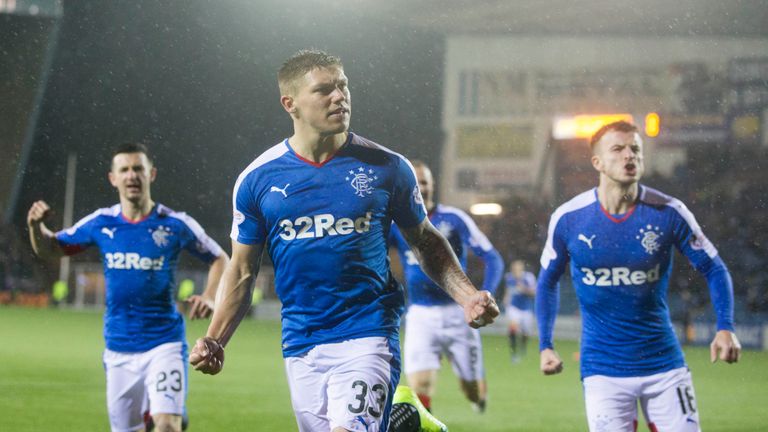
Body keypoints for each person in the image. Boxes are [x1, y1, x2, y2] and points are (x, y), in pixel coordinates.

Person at [189, 49, 499, 432]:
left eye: (343, 86)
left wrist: (467, 295)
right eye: (324, 90)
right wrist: (216, 339)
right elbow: (241, 270)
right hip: (301, 340)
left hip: (368, 331)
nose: (339, 97)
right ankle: (408, 423)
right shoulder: (257, 180)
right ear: (290, 104)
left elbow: (425, 241)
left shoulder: (388, 167)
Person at [536, 120, 741, 431]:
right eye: (617, 149)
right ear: (598, 162)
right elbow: (547, 281)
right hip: (603, 370)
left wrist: (725, 327)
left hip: (664, 366)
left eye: (635, 149)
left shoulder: (670, 212)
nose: (628, 156)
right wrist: (546, 345)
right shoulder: (568, 219)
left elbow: (714, 267)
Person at [27, 143, 229, 432]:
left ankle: (167, 417)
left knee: (168, 426)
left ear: (152, 174)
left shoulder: (175, 224)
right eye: (124, 169)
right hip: (119, 348)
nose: (132, 175)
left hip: (165, 344)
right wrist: (35, 226)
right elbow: (51, 248)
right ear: (113, 178)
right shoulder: (101, 222)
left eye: (138, 168)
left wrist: (210, 296)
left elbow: (221, 258)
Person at [389, 160, 503, 413]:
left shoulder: (454, 218)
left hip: (458, 312)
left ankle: (477, 397)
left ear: (433, 186)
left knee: (470, 388)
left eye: (426, 182)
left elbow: (492, 257)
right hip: (420, 313)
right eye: (416, 182)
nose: (421, 187)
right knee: (420, 386)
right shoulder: (396, 225)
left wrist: (485, 294)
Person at [502, 259, 536, 363]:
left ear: (522, 269)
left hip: (526, 309)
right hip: (514, 307)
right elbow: (508, 290)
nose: (515, 271)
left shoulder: (528, 277)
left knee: (526, 333)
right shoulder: (509, 277)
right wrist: (506, 298)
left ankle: (523, 347)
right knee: (512, 328)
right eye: (514, 269)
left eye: (517, 269)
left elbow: (534, 293)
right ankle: (514, 353)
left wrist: (524, 289)